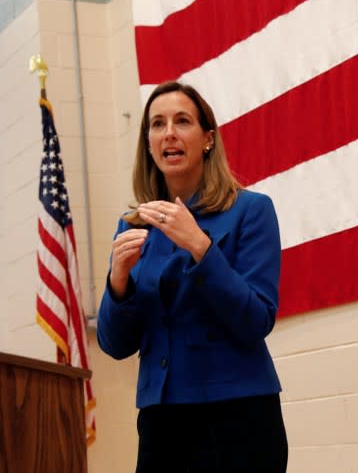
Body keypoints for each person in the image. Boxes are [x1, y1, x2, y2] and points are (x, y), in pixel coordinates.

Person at [97, 81, 288, 472]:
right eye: (157, 124)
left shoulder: (251, 210)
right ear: (148, 143)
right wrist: (118, 282)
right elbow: (115, 345)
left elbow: (256, 320)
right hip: (161, 422)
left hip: (239, 418)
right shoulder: (133, 225)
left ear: (207, 139)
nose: (168, 132)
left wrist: (201, 247)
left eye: (182, 121)